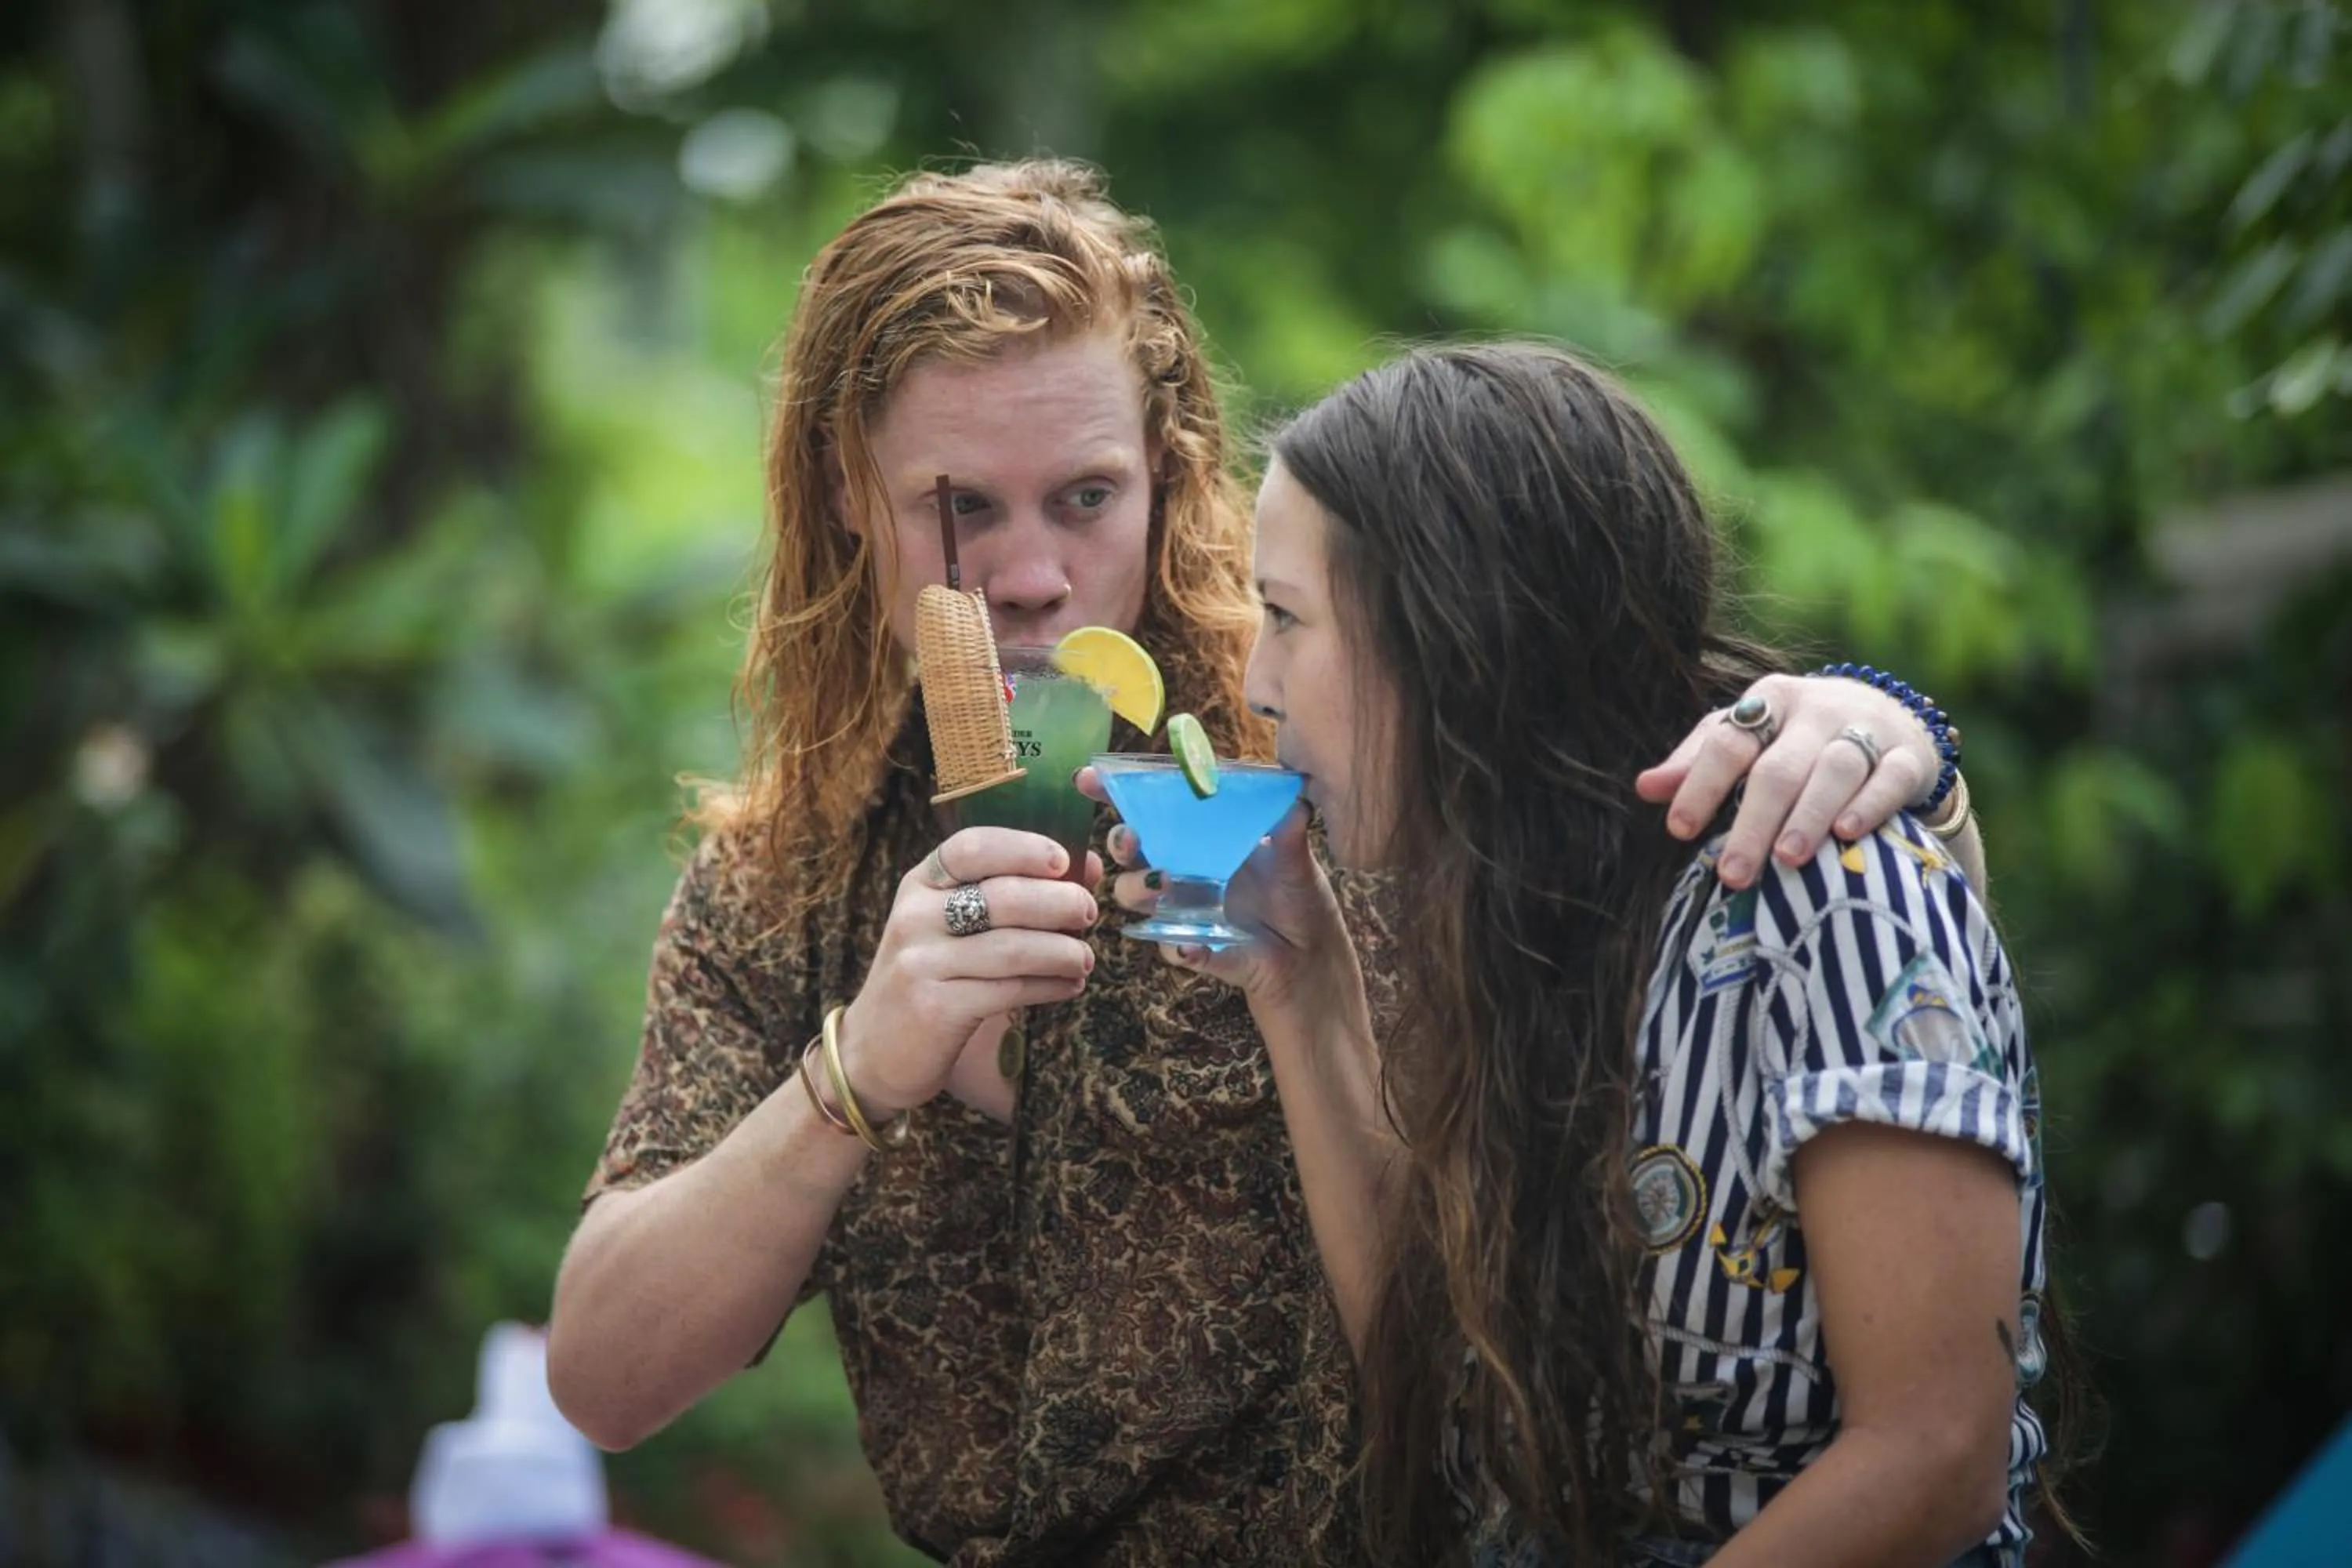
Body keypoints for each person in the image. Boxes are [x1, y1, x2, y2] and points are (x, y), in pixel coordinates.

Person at [545, 162, 1988, 1565]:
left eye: (1087, 497)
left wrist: (1889, 724)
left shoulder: (1327, 765)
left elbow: (1644, 778)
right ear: (849, 493)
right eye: (962, 509)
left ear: (1169, 476)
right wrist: (856, 1070)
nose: (1030, 573)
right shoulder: (784, 884)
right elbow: (604, 1381)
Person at [1098, 340, 2053, 1567]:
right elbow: (1446, 1377)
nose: (1255, 684)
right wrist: (1302, 981)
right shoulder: (1524, 915)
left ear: (1456, 635)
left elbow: (1935, 1456)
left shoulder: (1820, 887)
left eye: (1286, 618)